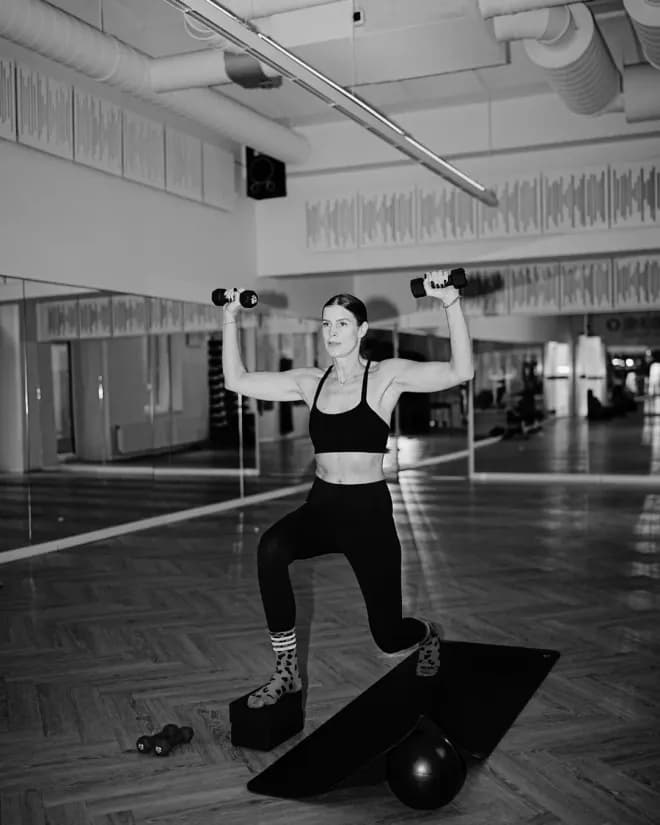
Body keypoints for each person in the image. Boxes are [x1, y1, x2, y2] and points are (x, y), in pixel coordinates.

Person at [222, 272, 474, 708]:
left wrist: (450, 301)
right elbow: (236, 380)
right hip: (322, 506)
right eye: (326, 324)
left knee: (388, 636)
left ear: (361, 331)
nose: (332, 332)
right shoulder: (310, 382)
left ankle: (427, 634)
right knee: (271, 549)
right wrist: (229, 317)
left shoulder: (385, 376)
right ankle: (287, 670)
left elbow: (460, 370)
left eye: (342, 324)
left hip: (367, 513)